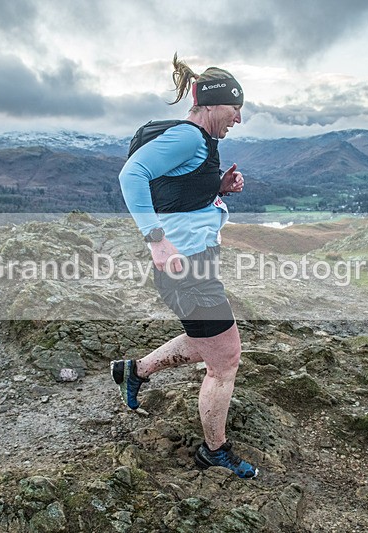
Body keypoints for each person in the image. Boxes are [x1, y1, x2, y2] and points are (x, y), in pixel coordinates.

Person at [112, 54, 256, 479]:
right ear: (213, 104)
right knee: (225, 358)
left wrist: (217, 186)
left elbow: (176, 189)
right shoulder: (190, 137)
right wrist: (156, 240)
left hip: (194, 265)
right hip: (184, 270)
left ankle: (133, 371)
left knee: (206, 340)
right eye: (236, 108)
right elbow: (132, 175)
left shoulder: (200, 143)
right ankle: (215, 451)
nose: (239, 119)